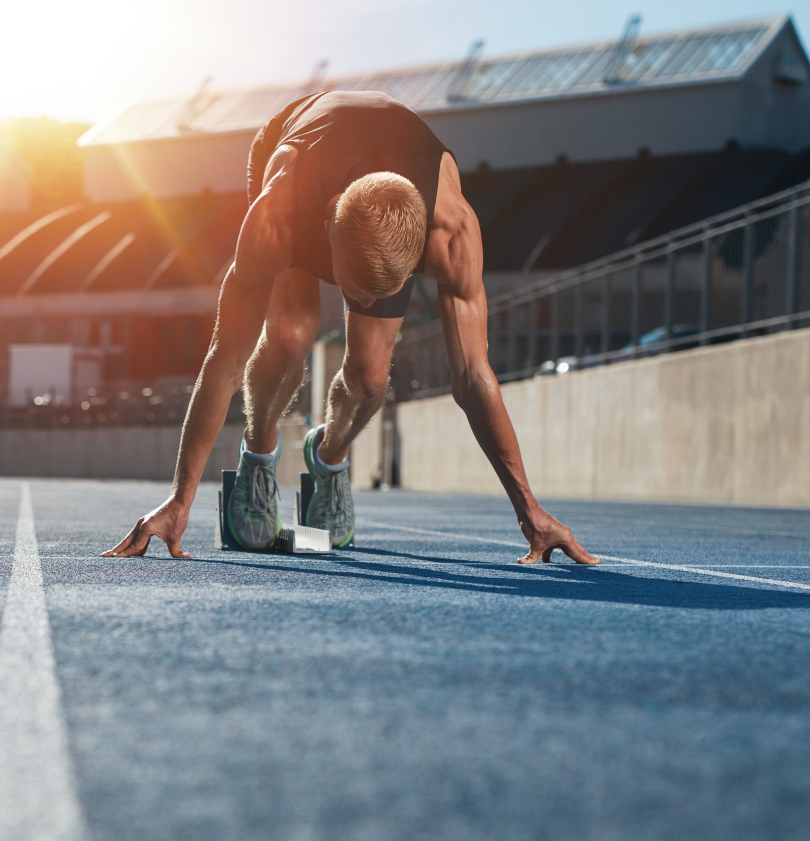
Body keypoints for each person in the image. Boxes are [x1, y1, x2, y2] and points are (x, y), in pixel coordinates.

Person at [104, 91, 595, 565]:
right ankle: (258, 453)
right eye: (350, 287)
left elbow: (472, 377)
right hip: (298, 153)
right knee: (292, 333)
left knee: (370, 378)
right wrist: (178, 499)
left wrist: (529, 510)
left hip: (386, 188)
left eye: (374, 294)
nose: (357, 304)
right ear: (327, 231)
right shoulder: (278, 216)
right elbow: (226, 357)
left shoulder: (452, 233)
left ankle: (328, 455)